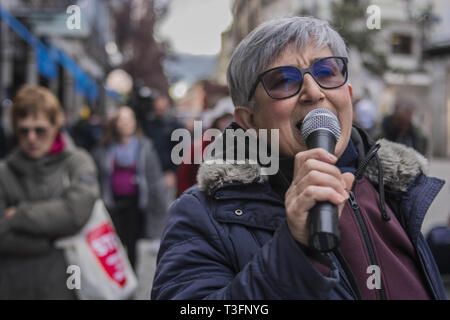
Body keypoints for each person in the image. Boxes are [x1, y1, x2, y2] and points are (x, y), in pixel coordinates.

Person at [151, 16, 447, 300]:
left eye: (326, 72)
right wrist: (292, 253)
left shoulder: (394, 188)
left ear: (348, 95)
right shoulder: (200, 215)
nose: (313, 91)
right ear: (248, 120)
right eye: (283, 81)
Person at [0, 85, 99, 299]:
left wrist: (18, 215)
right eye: (24, 130)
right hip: (14, 286)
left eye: (40, 130)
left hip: (65, 285)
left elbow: (75, 213)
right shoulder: (4, 171)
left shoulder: (77, 163)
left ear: (56, 125)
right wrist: (56, 239)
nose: (32, 138)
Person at [93, 106, 168, 268]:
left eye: (129, 120)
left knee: (132, 243)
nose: (126, 124)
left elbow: (154, 177)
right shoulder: (105, 148)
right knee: (114, 242)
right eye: (122, 120)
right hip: (112, 203)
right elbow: (99, 176)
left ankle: (132, 278)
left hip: (135, 203)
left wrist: (161, 206)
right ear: (115, 123)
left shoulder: (144, 147)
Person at [176, 96, 234, 196]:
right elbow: (184, 179)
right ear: (216, 122)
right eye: (224, 120)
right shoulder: (199, 147)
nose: (227, 124)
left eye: (230, 120)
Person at [144, 94, 184, 201]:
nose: (159, 110)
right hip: (151, 173)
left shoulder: (176, 126)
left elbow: (181, 153)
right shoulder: (149, 125)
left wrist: (173, 173)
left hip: (167, 174)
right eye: (157, 107)